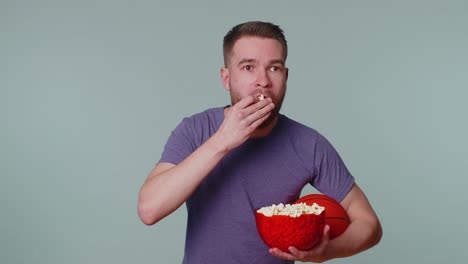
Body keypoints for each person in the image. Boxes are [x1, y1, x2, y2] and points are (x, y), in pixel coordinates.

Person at [138, 21, 382, 263]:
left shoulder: (309, 144)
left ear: (285, 76)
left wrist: (328, 251)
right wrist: (221, 141)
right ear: (226, 78)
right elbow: (149, 210)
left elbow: (369, 224)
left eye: (274, 68)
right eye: (248, 67)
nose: (263, 81)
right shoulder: (195, 129)